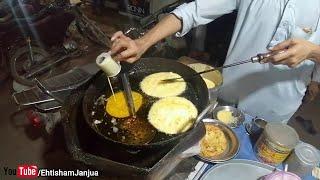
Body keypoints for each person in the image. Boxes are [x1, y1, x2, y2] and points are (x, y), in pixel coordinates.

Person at [110, 0, 320, 123]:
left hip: (275, 109)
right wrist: (142, 42)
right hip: (226, 94)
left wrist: (312, 52)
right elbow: (195, 10)